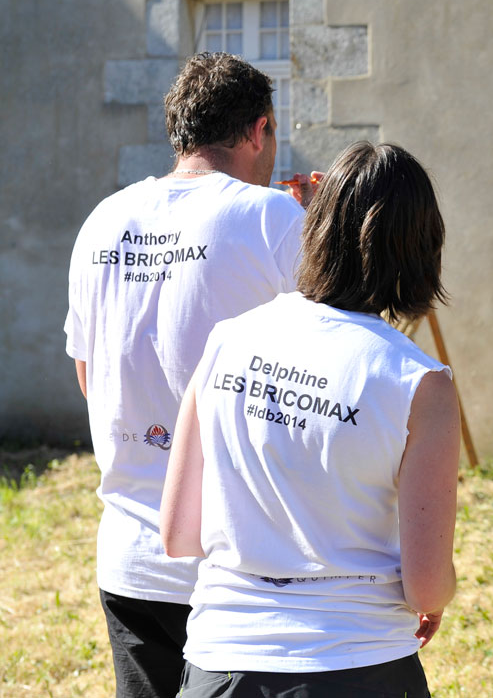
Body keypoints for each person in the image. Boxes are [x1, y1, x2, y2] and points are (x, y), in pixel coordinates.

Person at [161, 141, 460, 698]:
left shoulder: (228, 339)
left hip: (221, 663)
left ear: (316, 229)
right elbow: (424, 586)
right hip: (360, 664)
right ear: (420, 248)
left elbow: (179, 533)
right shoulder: (421, 383)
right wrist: (438, 596)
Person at [65, 52, 317, 698]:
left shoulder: (102, 221)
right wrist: (323, 233)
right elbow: (331, 372)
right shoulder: (272, 218)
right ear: (259, 129)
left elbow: (90, 377)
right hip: (238, 566)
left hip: (129, 559)